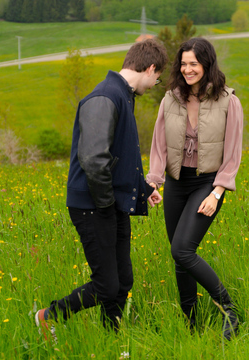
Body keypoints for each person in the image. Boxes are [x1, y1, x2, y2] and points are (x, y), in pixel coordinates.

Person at [35, 38, 169, 338]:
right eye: (158, 78)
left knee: (123, 280)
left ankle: (113, 336)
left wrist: (144, 189)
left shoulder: (123, 96)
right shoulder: (105, 97)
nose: (155, 83)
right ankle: (48, 316)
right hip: (93, 206)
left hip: (109, 203)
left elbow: (120, 155)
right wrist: (108, 205)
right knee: (106, 283)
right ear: (149, 69)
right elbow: (94, 160)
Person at [146, 37, 243, 340]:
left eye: (194, 64)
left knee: (183, 249)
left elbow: (233, 153)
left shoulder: (228, 101)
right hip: (176, 184)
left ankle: (229, 310)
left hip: (207, 183)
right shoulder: (170, 99)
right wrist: (154, 180)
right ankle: (191, 324)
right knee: (179, 258)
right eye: (184, 64)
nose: (188, 69)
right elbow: (159, 145)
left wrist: (217, 193)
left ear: (207, 64)